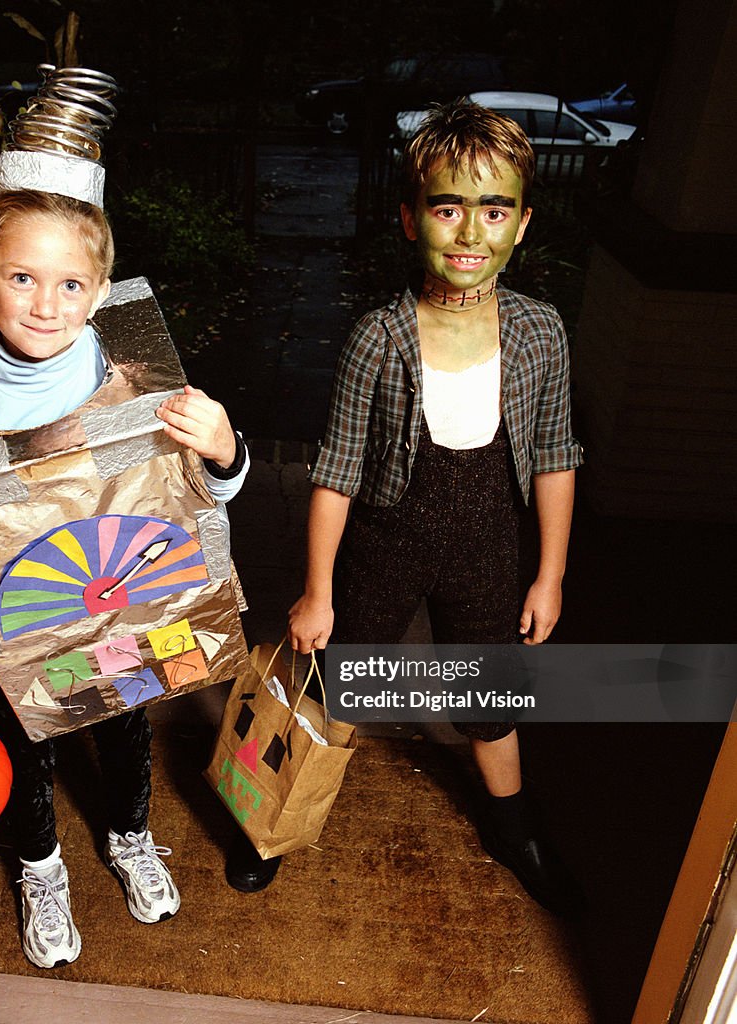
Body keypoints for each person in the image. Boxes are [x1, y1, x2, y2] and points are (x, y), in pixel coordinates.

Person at [227, 99, 582, 914]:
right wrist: (317, 592)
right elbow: (337, 473)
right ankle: (269, 816)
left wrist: (550, 575)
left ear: (520, 225)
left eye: (492, 210)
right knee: (335, 681)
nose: (469, 232)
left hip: (489, 541)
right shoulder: (377, 338)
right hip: (386, 539)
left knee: (488, 695)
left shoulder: (541, 334)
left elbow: (558, 459)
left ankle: (514, 828)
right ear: (410, 218)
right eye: (447, 207)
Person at [0, 187, 250, 966]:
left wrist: (224, 449)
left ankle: (130, 836)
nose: (45, 304)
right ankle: (40, 867)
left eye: (69, 284)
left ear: (99, 292)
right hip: (17, 623)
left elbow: (193, 501)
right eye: (22, 278)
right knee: (27, 745)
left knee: (122, 726)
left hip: (118, 611)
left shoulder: (131, 378)